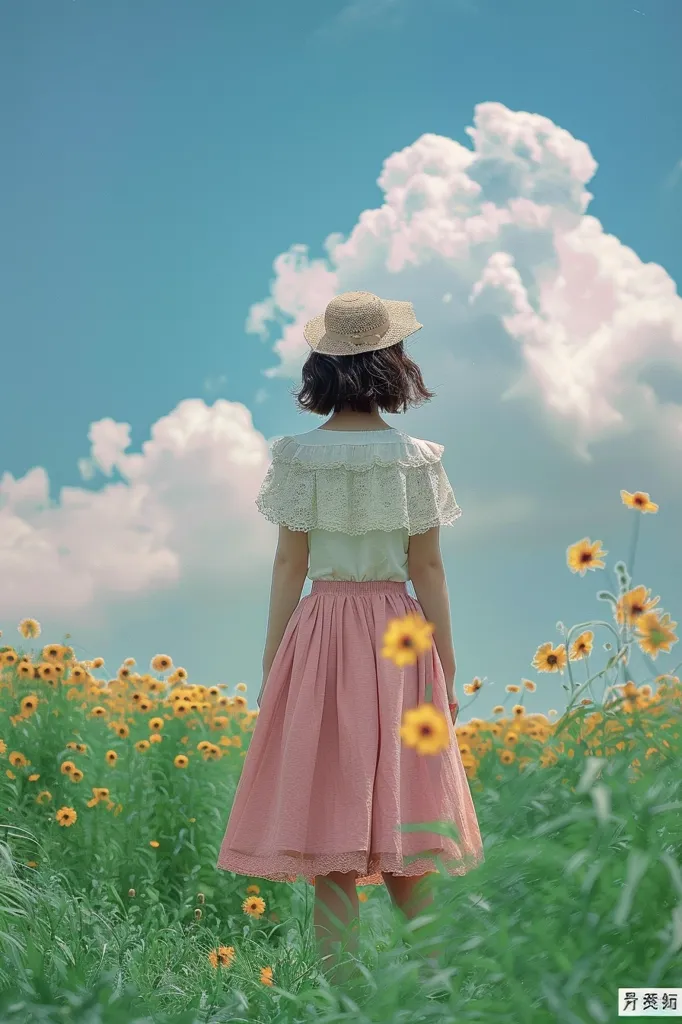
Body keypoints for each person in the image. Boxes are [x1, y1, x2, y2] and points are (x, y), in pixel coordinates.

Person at [216, 290, 484, 984]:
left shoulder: (300, 456)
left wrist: (274, 660)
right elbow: (427, 565)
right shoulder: (417, 457)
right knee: (409, 824)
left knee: (328, 832)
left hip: (323, 633)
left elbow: (289, 563)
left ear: (322, 367)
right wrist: (445, 662)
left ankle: (342, 1002)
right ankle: (436, 985)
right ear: (393, 363)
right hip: (400, 636)